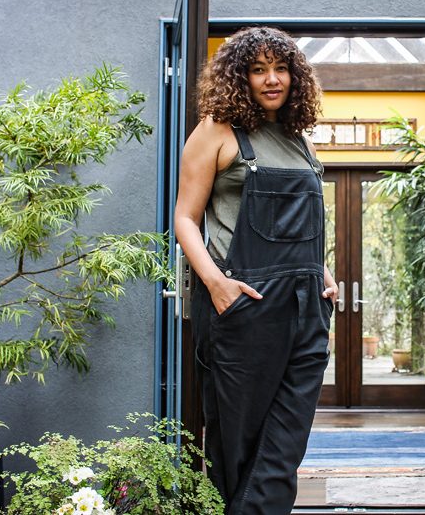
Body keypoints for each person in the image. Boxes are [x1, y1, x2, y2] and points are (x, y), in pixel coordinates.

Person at [173, 26, 338, 515]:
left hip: (306, 308)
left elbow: (303, 224)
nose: (272, 79)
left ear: (295, 76)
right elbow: (185, 216)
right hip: (245, 305)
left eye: (280, 68)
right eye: (258, 69)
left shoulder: (299, 141)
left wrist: (320, 268)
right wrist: (217, 284)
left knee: (285, 441)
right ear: (238, 77)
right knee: (237, 443)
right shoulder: (216, 131)